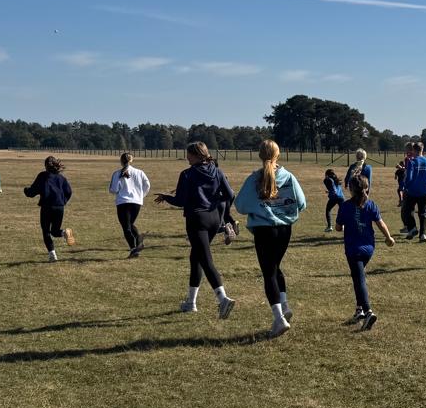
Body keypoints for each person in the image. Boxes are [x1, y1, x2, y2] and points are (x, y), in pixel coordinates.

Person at [235, 140, 307, 338]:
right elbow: (302, 203)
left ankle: (279, 319)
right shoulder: (288, 176)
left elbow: (240, 206)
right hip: (284, 230)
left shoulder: (254, 179)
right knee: (275, 268)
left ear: (260, 155)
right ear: (278, 155)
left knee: (268, 273)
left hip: (264, 230)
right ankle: (284, 305)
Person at [155, 142, 236, 317]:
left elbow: (180, 201)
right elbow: (230, 195)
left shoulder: (187, 174)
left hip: (197, 220)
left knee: (205, 260)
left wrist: (166, 197)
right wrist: (216, 202)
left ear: (197, 155)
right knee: (196, 258)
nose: (187, 158)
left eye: (189, 155)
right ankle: (191, 303)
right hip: (215, 218)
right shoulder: (217, 171)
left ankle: (223, 299)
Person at [336, 173, 395, 329]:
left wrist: (343, 225)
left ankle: (368, 312)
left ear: (351, 190)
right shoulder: (371, 205)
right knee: (357, 277)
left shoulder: (345, 206)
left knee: (359, 279)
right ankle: (359, 310)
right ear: (366, 188)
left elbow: (338, 227)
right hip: (369, 249)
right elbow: (380, 223)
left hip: (353, 250)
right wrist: (388, 237)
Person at [23, 156, 74, 261]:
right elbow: (69, 191)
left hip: (47, 207)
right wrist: (63, 201)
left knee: (46, 231)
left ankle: (52, 255)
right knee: (55, 231)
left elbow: (33, 191)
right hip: (59, 207)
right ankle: (64, 232)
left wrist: (26, 191)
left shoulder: (43, 176)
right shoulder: (61, 178)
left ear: (46, 166)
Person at [109, 152, 150, 258]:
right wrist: (141, 196)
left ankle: (133, 249)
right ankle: (139, 240)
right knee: (130, 224)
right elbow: (147, 185)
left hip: (123, 202)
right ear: (131, 160)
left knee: (126, 227)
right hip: (136, 203)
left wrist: (120, 180)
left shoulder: (117, 173)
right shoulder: (140, 172)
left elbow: (114, 189)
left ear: (121, 161)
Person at [402, 139, 426, 242]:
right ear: (422, 150)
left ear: (413, 150)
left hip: (412, 191)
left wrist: (406, 186)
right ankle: (423, 235)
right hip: (425, 192)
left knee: (408, 211)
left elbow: (409, 177)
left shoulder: (412, 162)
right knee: (422, 213)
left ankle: (413, 228)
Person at [322, 168, 344, 232]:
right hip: (341, 197)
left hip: (334, 197)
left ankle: (329, 227)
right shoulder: (336, 179)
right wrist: (329, 191)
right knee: (342, 211)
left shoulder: (328, 180)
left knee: (328, 210)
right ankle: (342, 225)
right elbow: (334, 188)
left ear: (327, 174)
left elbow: (332, 188)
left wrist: (326, 178)